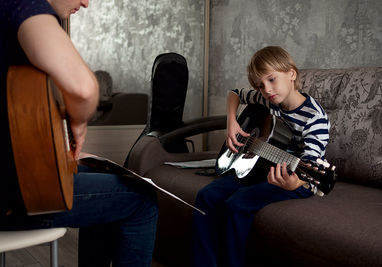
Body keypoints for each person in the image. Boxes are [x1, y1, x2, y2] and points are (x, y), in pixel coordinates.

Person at [0, 1, 158, 266]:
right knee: (142, 199)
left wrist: (59, 152)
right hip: (16, 195)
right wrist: (80, 123)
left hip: (20, 175)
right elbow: (83, 89)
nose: (86, 2)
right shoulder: (22, 5)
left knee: (104, 179)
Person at [191, 46, 330, 267]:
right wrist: (232, 122)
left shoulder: (315, 119)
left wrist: (294, 181)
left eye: (272, 79)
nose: (267, 89)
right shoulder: (268, 100)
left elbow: (310, 166)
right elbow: (234, 93)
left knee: (237, 204)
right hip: (260, 168)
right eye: (260, 85)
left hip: (295, 179)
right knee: (206, 196)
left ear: (291, 74)